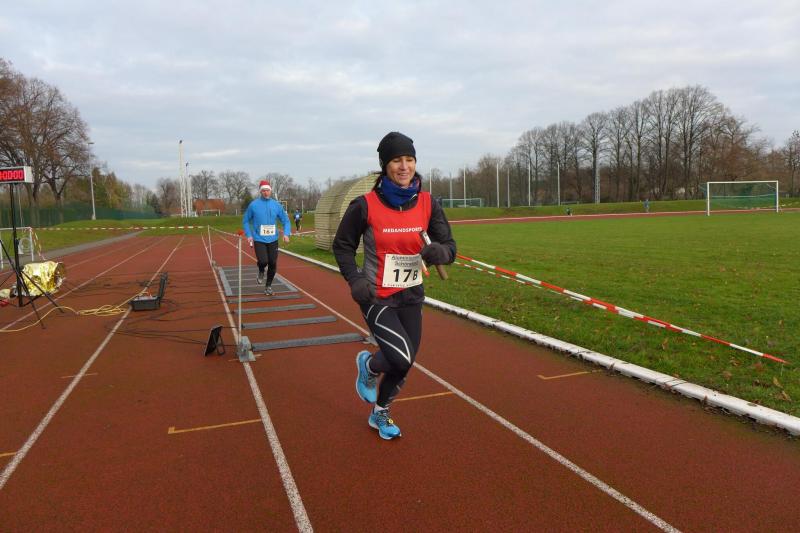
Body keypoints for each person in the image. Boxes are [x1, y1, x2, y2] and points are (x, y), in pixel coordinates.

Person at [333, 131, 456, 440]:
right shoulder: (364, 205)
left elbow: (449, 246)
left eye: (409, 159)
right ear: (385, 166)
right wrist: (355, 279)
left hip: (411, 294)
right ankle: (370, 367)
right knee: (400, 357)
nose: (404, 167)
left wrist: (442, 253)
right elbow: (342, 246)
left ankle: (380, 412)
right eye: (397, 160)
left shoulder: (428, 203)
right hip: (376, 295)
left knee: (405, 362)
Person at [242, 179, 291, 296]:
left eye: (267, 190)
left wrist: (286, 234)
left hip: (273, 239)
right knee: (263, 261)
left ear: (270, 191)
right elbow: (245, 221)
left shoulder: (276, 205)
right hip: (259, 239)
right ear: (260, 192)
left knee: (273, 263)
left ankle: (268, 286)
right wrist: (249, 235)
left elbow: (286, 221)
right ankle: (261, 270)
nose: (266, 192)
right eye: (263, 190)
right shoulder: (253, 205)